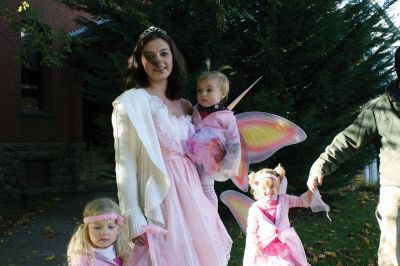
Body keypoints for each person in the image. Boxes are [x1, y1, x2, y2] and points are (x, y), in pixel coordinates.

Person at [112, 26, 232, 265]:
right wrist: (133, 217)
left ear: (173, 58)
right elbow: (124, 164)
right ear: (139, 62)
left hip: (194, 193)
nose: (159, 61)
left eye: (164, 53)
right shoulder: (131, 103)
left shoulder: (188, 106)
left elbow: (205, 147)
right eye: (149, 55)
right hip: (160, 194)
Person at [307, 47, 400, 266]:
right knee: (391, 254)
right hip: (395, 191)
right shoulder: (379, 108)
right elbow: (348, 140)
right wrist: (320, 166)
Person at [186, 70, 241, 209]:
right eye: (199, 90)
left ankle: (213, 219)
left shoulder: (226, 116)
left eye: (209, 90)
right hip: (191, 156)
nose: (203, 94)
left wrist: (227, 164)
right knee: (192, 185)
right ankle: (200, 216)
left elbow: (234, 141)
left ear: (222, 94)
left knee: (206, 185)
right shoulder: (194, 110)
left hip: (212, 159)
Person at [243, 164, 312, 266]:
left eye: (272, 187)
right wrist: (254, 244)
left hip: (285, 246)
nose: (269, 191)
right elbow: (251, 230)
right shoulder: (255, 209)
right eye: (264, 188)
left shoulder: (284, 200)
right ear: (257, 190)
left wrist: (311, 190)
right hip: (266, 248)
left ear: (277, 187)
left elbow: (303, 202)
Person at [67, 198, 132, 266]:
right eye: (97, 228)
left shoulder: (123, 250)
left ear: (118, 229)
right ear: (87, 230)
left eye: (111, 227)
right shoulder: (82, 260)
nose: (104, 232)